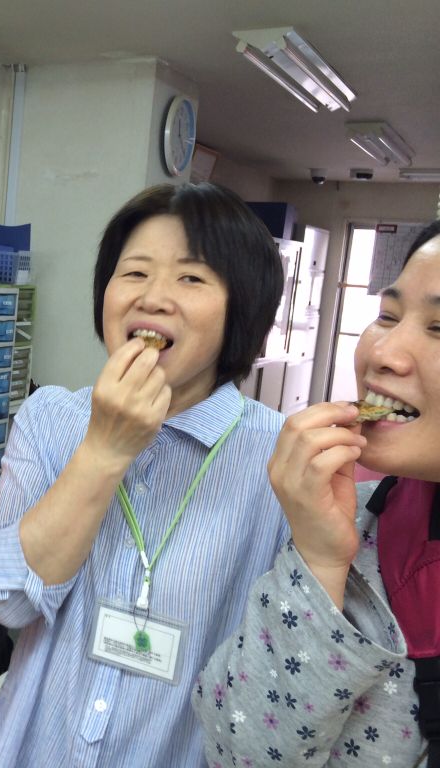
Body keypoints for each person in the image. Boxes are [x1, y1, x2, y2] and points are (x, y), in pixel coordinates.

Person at [0, 182, 289, 767]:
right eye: (134, 272)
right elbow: (7, 605)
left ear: (242, 306)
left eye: (191, 278)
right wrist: (103, 451)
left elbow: (278, 685)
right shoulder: (52, 418)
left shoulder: (277, 457)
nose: (153, 298)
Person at [194, 220, 440, 767]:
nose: (385, 353)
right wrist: (320, 559)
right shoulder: (356, 527)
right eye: (388, 316)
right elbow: (239, 752)